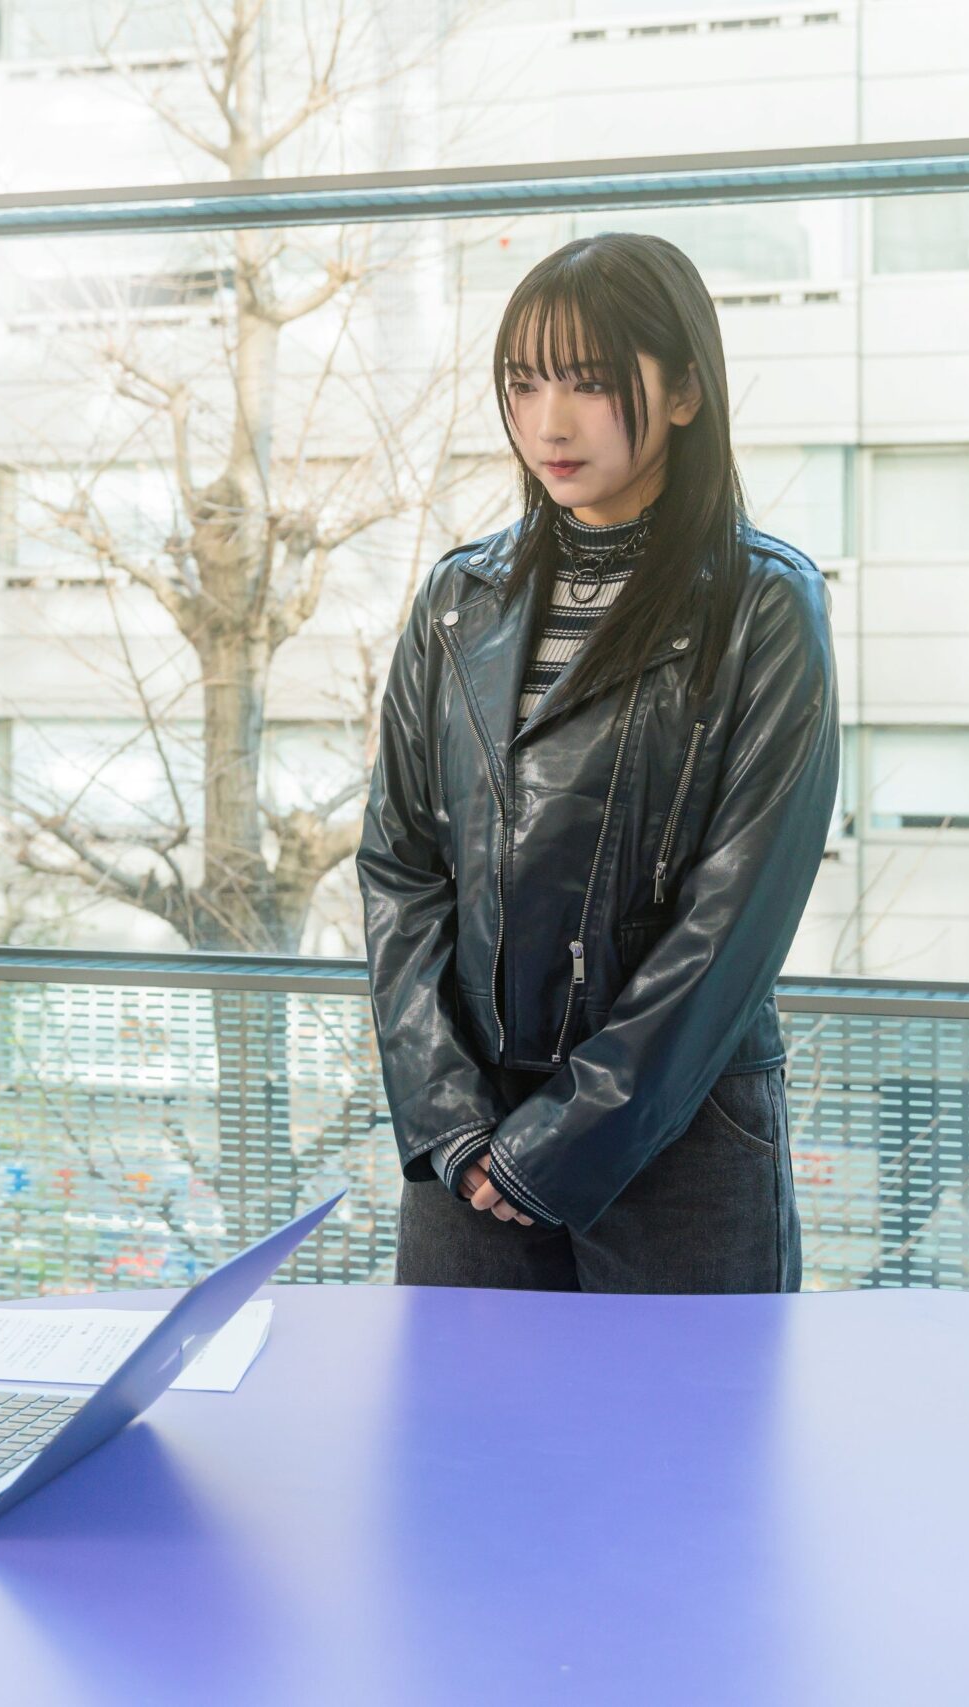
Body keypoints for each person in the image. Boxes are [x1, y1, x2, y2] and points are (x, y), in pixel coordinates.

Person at [360, 233, 839, 1293]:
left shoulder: (763, 605)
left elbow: (734, 921)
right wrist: (450, 1120)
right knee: (464, 1452)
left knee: (675, 1456)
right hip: (470, 1150)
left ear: (683, 392)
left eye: (587, 380)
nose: (548, 420)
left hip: (680, 1144)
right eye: (524, 383)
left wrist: (563, 1142)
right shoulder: (456, 601)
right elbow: (399, 870)